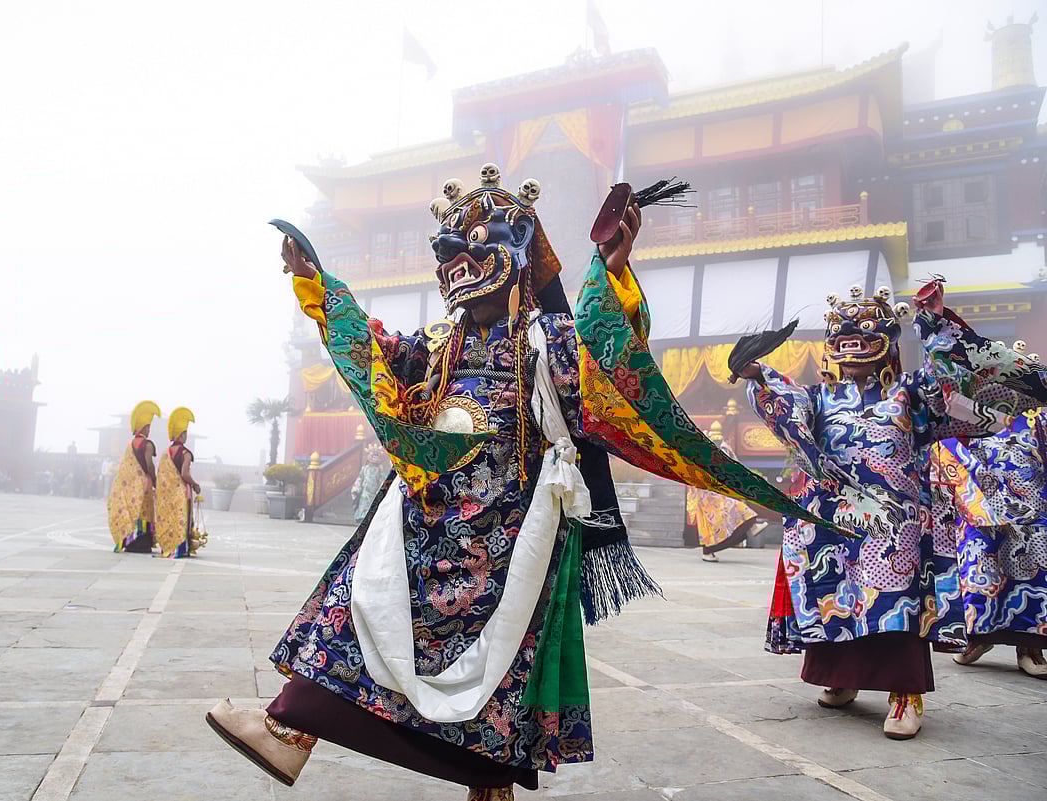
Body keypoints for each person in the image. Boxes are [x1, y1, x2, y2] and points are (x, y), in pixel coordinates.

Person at [207, 167, 833, 799]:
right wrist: (320, 284)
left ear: (520, 255)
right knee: (355, 608)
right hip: (422, 525)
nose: (462, 261)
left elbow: (607, 363)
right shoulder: (435, 348)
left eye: (482, 243)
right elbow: (371, 351)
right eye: (449, 249)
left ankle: (489, 788)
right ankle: (287, 735)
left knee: (504, 663)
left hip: (513, 539)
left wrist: (611, 270)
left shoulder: (549, 343)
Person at [735, 280, 1044, 740]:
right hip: (835, 522)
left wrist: (936, 326)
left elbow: (956, 388)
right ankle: (841, 678)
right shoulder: (818, 398)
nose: (852, 345)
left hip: (896, 526)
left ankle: (905, 693)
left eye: (865, 335)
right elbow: (788, 412)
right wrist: (756, 373)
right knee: (834, 596)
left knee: (897, 603)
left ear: (889, 342)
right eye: (842, 338)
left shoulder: (909, 393)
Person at [928, 335, 1047, 679]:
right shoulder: (966, 414)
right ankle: (976, 638)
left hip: (1031, 514)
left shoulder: (1037, 416)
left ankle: (1031, 646)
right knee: (979, 576)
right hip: (978, 508)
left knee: (1031, 579)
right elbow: (945, 447)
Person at [686, 440, 767, 562]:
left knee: (719, 521)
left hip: (710, 497)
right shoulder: (695, 463)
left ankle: (751, 526)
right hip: (706, 498)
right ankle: (751, 527)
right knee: (733, 509)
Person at [107, 401, 160, 553]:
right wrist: (155, 479)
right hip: (144, 485)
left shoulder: (130, 444)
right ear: (144, 427)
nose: (149, 430)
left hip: (129, 486)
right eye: (148, 427)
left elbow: (125, 467)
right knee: (145, 512)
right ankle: (142, 543)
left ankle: (130, 541)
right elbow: (149, 465)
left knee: (132, 512)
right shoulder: (148, 444)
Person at [156, 407, 204, 559]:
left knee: (169, 518)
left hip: (167, 494)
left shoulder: (165, 453)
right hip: (182, 493)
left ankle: (167, 546)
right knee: (182, 518)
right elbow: (184, 474)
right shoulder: (185, 453)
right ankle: (181, 548)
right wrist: (195, 484)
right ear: (182, 435)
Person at [350, 443, 386, 523]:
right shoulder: (365, 468)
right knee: (363, 506)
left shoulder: (379, 470)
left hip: (374, 493)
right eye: (373, 456)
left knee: (372, 508)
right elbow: (360, 479)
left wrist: (380, 490)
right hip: (365, 493)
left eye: (376, 456)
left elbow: (382, 480)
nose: (374, 458)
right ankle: (361, 518)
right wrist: (356, 488)